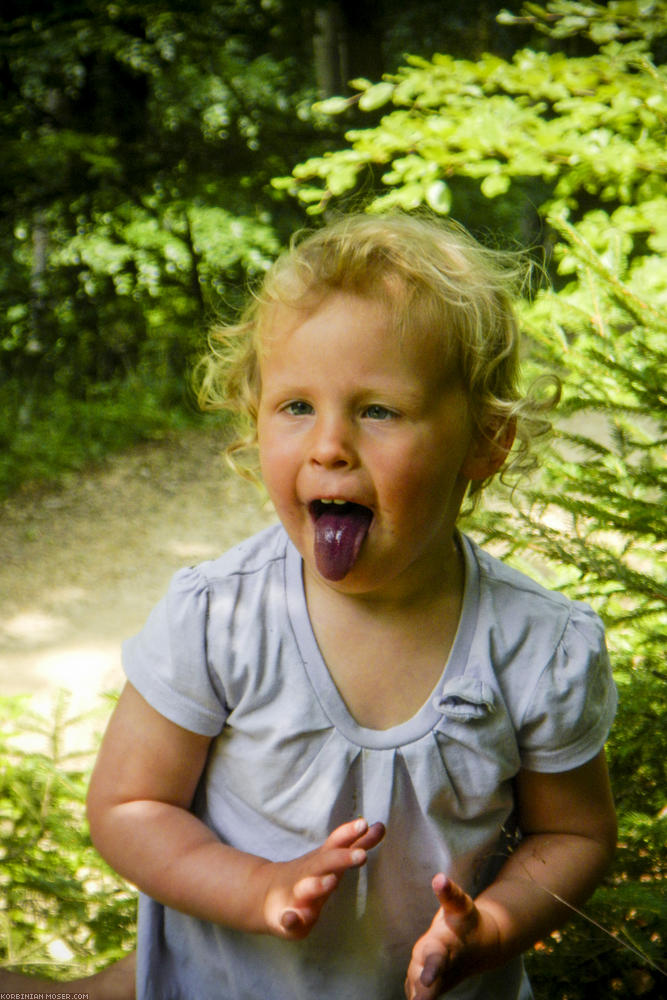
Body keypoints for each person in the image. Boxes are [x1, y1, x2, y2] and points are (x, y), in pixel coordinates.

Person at [85, 213, 618, 1000]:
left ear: (486, 441)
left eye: (377, 411)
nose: (328, 445)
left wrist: (494, 928)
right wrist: (254, 887)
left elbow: (572, 833)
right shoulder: (221, 618)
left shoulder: (535, 646)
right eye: (295, 406)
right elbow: (129, 804)